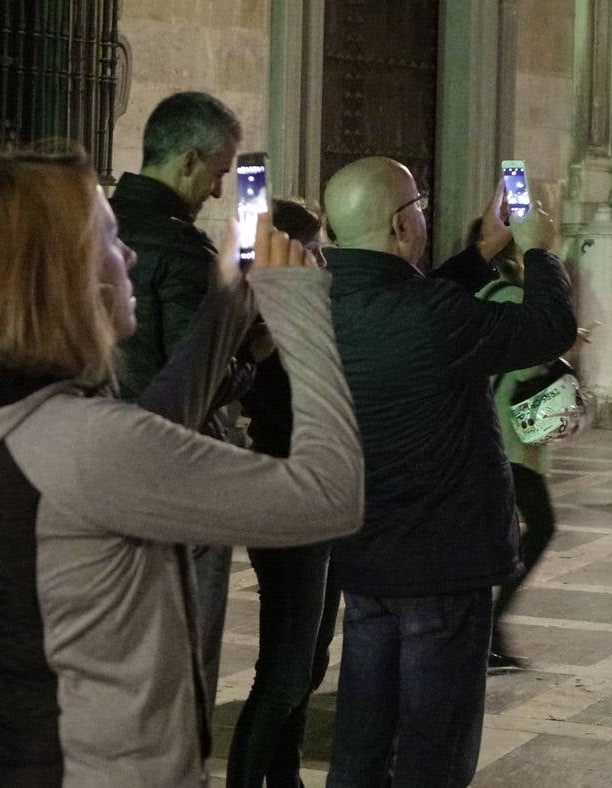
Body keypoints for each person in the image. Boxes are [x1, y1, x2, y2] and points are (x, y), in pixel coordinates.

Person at [0, 151, 363, 785]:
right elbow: (331, 495)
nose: (131, 255)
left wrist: (228, 302)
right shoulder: (86, 445)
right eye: (110, 237)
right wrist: (300, 306)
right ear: (57, 274)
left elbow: (152, 433)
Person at [323, 158, 576, 787]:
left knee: (360, 742)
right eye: (420, 204)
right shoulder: (430, 314)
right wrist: (538, 252)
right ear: (401, 223)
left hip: (364, 554)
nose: (426, 215)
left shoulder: (322, 304)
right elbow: (548, 329)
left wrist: (485, 252)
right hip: (439, 563)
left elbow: (413, 304)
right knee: (434, 751)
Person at [109, 90, 247, 713]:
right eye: (219, 174)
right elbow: (201, 379)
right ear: (190, 162)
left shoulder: (99, 234)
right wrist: (255, 353)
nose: (218, 193)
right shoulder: (182, 253)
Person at [228, 198, 342, 788]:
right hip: (287, 497)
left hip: (323, 499)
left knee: (309, 659)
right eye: (312, 249)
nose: (322, 259)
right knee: (284, 669)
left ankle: (285, 775)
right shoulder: (261, 322)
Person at [466, 219, 559, 672]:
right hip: (515, 437)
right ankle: (487, 626)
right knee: (536, 529)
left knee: (499, 533)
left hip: (488, 430)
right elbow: (529, 365)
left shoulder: (478, 295)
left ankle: (486, 627)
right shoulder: (518, 297)